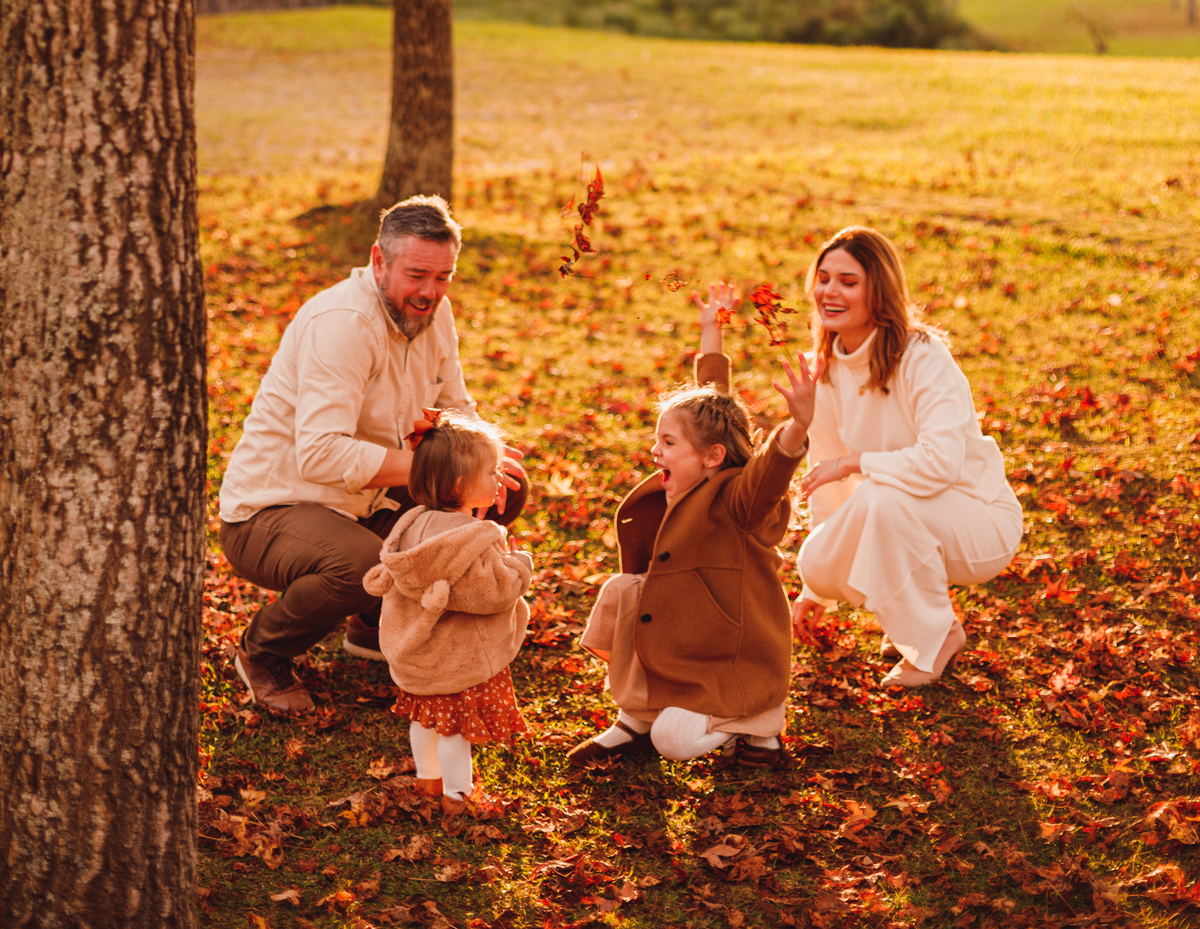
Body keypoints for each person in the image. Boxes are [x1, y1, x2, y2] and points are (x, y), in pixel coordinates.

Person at [218, 194, 526, 717]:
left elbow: (455, 405)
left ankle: (374, 624)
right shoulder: (343, 323)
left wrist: (484, 455)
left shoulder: (433, 312)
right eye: (417, 275)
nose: (430, 292)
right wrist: (442, 467)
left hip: (370, 497)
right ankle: (264, 653)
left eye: (444, 276)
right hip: (273, 511)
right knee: (361, 563)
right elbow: (319, 455)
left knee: (503, 489)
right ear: (379, 261)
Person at [568, 282, 814, 771]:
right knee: (627, 591)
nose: (655, 451)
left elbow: (768, 473)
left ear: (711, 458)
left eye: (668, 443)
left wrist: (798, 428)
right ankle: (634, 717)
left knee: (675, 740)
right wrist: (711, 336)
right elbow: (714, 407)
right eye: (657, 440)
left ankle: (757, 724)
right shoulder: (697, 466)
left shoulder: (738, 498)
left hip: (732, 652)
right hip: (687, 633)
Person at [793, 226, 1023, 688]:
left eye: (848, 281)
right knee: (817, 558)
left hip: (979, 520)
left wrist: (855, 463)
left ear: (877, 290)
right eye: (823, 277)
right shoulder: (826, 369)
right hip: (896, 517)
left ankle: (935, 640)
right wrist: (815, 588)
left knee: (882, 497)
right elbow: (828, 480)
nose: (829, 291)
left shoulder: (922, 356)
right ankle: (906, 619)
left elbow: (940, 465)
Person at [363, 413, 533, 831]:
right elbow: (490, 593)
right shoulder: (472, 538)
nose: (498, 480)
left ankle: (428, 783)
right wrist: (519, 566)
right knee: (456, 731)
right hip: (456, 658)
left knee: (424, 720)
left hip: (419, 654)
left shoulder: (411, 525)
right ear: (460, 486)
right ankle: (459, 800)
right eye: (491, 472)